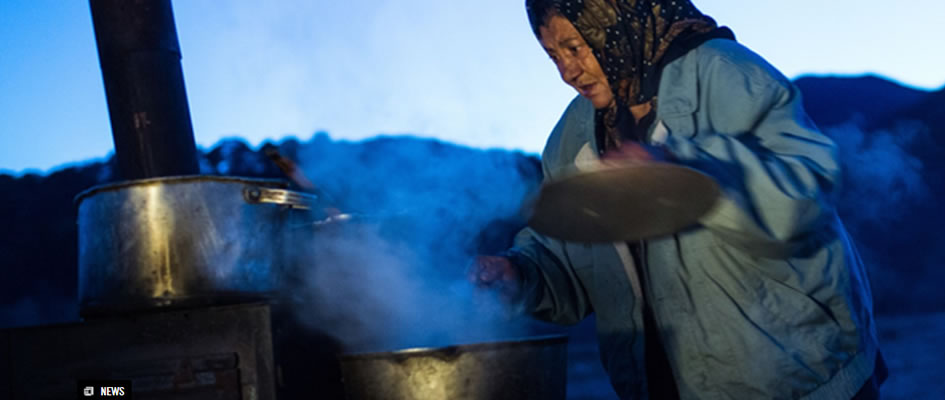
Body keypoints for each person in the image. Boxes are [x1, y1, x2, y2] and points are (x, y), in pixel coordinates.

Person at [470, 0, 887, 399]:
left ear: (616, 20)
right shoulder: (570, 141)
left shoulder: (724, 71)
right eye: (552, 56)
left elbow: (806, 189)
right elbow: (573, 255)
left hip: (798, 380)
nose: (567, 72)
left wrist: (681, 170)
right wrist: (522, 274)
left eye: (574, 48)